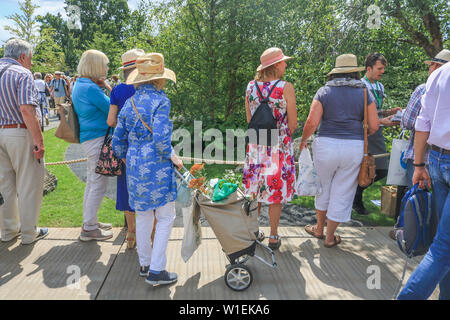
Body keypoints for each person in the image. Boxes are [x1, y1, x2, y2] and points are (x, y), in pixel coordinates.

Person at [112, 52, 182, 285]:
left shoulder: (129, 103)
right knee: (165, 216)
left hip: (134, 165)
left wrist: (128, 157)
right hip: (158, 166)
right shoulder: (161, 101)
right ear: (160, 79)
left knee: (142, 216)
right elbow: (162, 140)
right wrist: (174, 158)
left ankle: (145, 265)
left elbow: (117, 141)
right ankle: (157, 270)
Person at [300, 54, 380, 248]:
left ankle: (318, 229)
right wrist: (360, 130)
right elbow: (375, 125)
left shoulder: (324, 91)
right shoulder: (364, 92)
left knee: (323, 187)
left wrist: (303, 140)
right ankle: (330, 237)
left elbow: (312, 121)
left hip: (326, 145)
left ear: (335, 72)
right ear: (356, 71)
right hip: (353, 147)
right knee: (343, 191)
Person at [397, 58, 450, 300]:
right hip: (438, 160)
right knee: (444, 247)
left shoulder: (439, 74)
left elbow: (422, 124)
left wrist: (419, 164)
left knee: (444, 242)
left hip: (437, 160)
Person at [242, 47, 297, 251]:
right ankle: (273, 235)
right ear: (275, 65)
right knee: (275, 191)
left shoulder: (250, 87)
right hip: (278, 145)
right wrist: (282, 134)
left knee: (255, 189)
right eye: (283, 62)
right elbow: (293, 123)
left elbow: (250, 119)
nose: (285, 64)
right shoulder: (285, 87)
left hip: (257, 142)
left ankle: (254, 232)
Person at [0, 38, 48, 244]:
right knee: (29, 184)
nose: (31, 63)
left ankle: (9, 230)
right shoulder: (22, 73)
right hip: (18, 131)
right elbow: (27, 110)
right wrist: (39, 141)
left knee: (5, 185)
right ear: (22, 57)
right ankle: (29, 233)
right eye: (30, 58)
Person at [71, 50, 113, 241]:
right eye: (105, 65)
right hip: (97, 139)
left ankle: (91, 221)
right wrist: (108, 86)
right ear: (96, 66)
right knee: (98, 184)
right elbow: (113, 106)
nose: (107, 68)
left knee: (92, 182)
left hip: (89, 138)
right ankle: (89, 228)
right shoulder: (90, 88)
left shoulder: (81, 83)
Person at [352, 53, 401, 215]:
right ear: (368, 69)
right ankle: (356, 198)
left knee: (381, 169)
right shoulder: (360, 86)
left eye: (383, 69)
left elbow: (376, 111)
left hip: (377, 132)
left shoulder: (380, 86)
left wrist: (389, 112)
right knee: (366, 167)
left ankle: (356, 194)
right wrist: (382, 121)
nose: (382, 72)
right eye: (379, 68)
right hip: (364, 132)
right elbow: (361, 113)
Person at [107, 48, 144, 249]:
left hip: (125, 147)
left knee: (127, 188)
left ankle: (131, 232)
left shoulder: (118, 91)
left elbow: (110, 120)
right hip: (146, 146)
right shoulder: (151, 89)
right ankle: (150, 234)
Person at [401, 49, 449, 188]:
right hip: (439, 155)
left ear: (435, 66)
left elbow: (408, 122)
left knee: (419, 202)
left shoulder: (423, 89)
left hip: (420, 157)